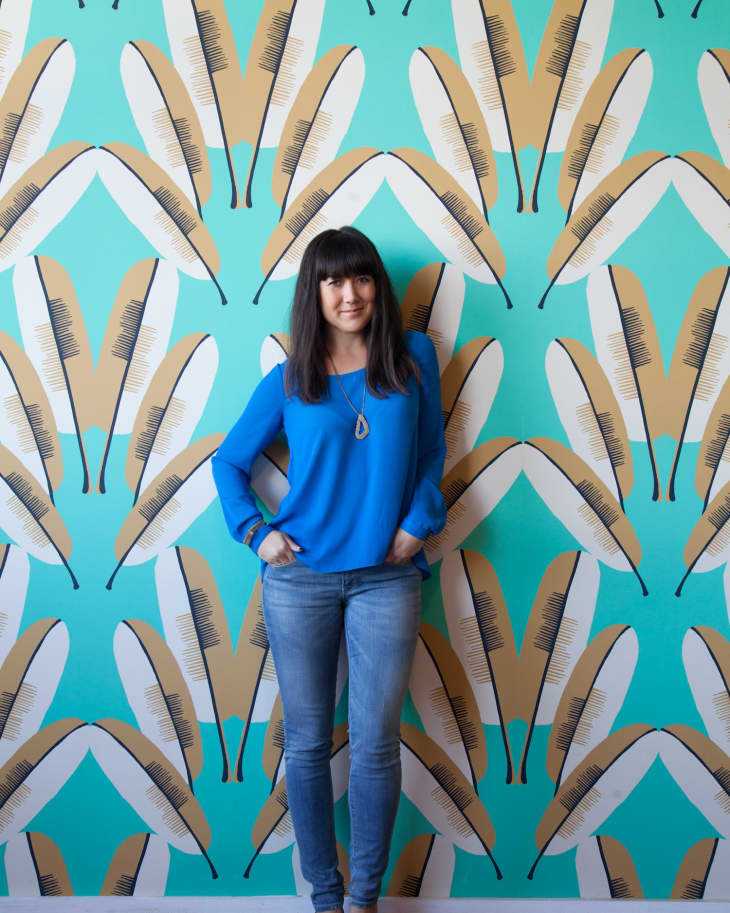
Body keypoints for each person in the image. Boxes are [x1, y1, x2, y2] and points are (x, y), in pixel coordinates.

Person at [212, 226, 447, 913]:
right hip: (300, 580)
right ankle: (325, 897)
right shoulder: (291, 379)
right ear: (314, 293)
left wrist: (416, 523)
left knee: (375, 745)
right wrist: (256, 533)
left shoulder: (414, 358)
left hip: (387, 577)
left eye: (362, 277)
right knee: (309, 744)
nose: (350, 293)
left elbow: (432, 453)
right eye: (333, 280)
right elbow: (228, 462)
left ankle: (363, 901)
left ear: (378, 285)